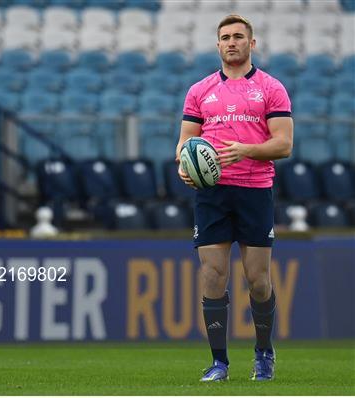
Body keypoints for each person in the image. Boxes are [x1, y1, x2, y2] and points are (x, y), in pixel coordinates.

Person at [176, 15, 293, 382]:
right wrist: (183, 162)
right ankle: (219, 363)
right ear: (217, 45)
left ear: (251, 43)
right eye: (225, 37)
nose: (231, 42)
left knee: (258, 280)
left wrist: (246, 150)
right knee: (213, 275)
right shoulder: (199, 90)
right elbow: (184, 141)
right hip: (211, 193)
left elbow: (284, 143)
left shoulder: (271, 88)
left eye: (238, 37)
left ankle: (263, 353)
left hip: (254, 189)